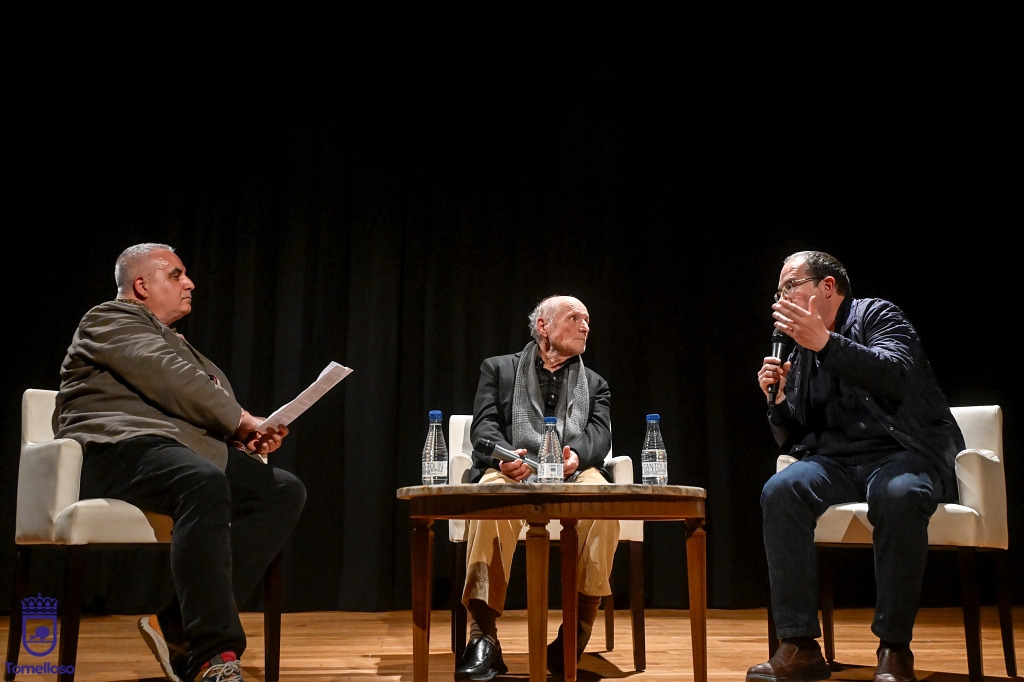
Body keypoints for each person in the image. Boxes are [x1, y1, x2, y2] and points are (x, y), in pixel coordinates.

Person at [53, 243, 307, 682]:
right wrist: (243, 421)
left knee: (282, 490)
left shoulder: (175, 341)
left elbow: (196, 397)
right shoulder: (108, 318)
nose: (189, 283)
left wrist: (242, 435)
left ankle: (174, 623)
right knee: (201, 481)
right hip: (118, 447)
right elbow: (168, 377)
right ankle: (212, 654)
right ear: (141, 285)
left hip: (176, 451)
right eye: (176, 275)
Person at [749, 251, 963, 682]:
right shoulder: (803, 348)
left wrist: (827, 345)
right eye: (779, 290)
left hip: (903, 451)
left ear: (827, 287)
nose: (781, 298)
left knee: (899, 494)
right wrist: (777, 400)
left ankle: (894, 648)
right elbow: (799, 436)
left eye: (790, 285)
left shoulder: (877, 315)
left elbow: (895, 373)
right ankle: (799, 646)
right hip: (838, 463)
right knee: (781, 489)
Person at [455, 295, 618, 681]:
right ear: (543, 326)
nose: (585, 326)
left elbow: (599, 432)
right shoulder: (497, 368)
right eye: (574, 318)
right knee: (490, 501)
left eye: (588, 320)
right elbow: (485, 426)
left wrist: (575, 456)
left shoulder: (596, 383)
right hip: (513, 470)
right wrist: (504, 458)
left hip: (574, 472)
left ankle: (573, 639)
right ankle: (483, 639)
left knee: (603, 502)